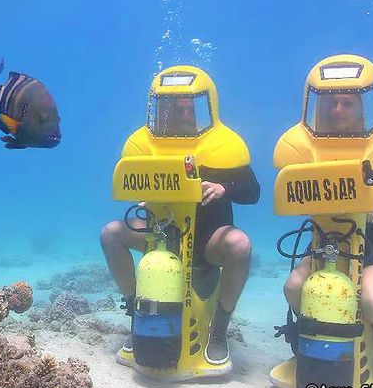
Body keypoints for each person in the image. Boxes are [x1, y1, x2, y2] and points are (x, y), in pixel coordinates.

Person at [102, 94, 260, 366]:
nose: (187, 116)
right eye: (179, 111)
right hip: (160, 235)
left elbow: (253, 192)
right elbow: (128, 182)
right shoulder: (146, 147)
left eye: (190, 110)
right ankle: (137, 316)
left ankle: (219, 329)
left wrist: (225, 188)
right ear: (165, 114)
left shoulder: (222, 148)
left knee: (240, 244)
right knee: (111, 233)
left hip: (208, 241)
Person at [283, 91, 373, 378]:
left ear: (362, 107)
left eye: (347, 103)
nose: (339, 109)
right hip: (326, 245)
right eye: (333, 103)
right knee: (293, 287)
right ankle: (314, 333)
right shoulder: (310, 148)